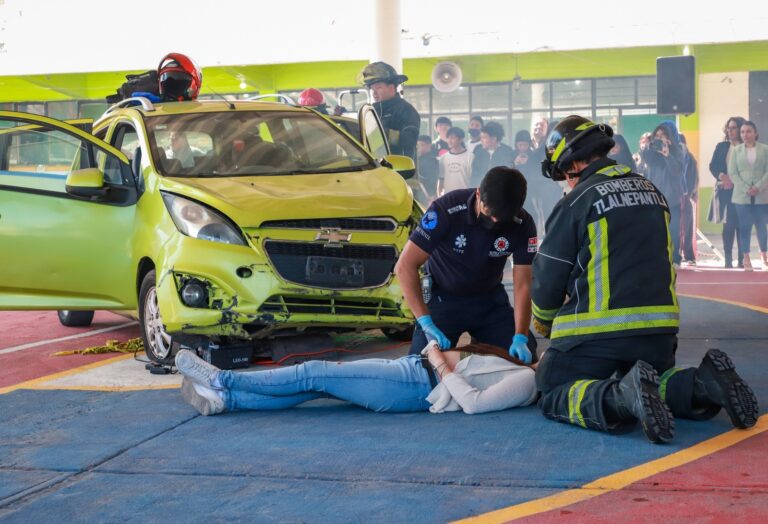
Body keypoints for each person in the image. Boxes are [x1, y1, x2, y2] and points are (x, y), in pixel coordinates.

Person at [532, 115, 758, 444]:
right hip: (659, 336)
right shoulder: (652, 192)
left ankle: (622, 399)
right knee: (655, 379)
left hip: (597, 337)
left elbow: (547, 277)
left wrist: (542, 325)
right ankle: (704, 385)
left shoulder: (578, 201)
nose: (567, 183)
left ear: (576, 162)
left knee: (552, 388)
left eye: (565, 174)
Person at [394, 166, 538, 363]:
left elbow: (522, 284)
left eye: (501, 220)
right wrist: (425, 321)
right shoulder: (447, 209)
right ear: (478, 194)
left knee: (524, 360)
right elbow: (405, 266)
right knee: (422, 367)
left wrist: (520, 336)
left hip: (489, 302)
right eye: (489, 214)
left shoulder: (523, 224)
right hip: (443, 299)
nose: (494, 222)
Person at [174, 343, 538, 416]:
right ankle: (226, 401)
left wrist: (439, 361)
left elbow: (474, 404)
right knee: (315, 385)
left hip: (417, 383)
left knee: (314, 372)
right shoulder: (524, 367)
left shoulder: (528, 382)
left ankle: (224, 379)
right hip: (414, 375)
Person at [640, 121, 694, 265]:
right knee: (656, 229)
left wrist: (667, 154)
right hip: (655, 197)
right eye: (657, 135)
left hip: (672, 198)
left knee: (673, 229)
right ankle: (658, 257)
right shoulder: (651, 151)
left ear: (670, 137)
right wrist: (651, 146)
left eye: (663, 135)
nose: (659, 138)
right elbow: (645, 157)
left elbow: (676, 171)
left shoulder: (677, 151)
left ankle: (675, 258)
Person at [357, 61, 421, 161]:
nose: (374, 93)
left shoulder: (406, 110)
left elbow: (409, 139)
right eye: (372, 89)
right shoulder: (372, 112)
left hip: (399, 172)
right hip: (375, 168)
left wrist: (380, 133)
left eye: (378, 88)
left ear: (391, 88)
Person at [728, 120, 768, 271]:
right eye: (743, 132)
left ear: (755, 133)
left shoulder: (765, 149)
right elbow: (733, 172)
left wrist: (758, 187)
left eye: (749, 131)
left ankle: (764, 256)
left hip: (762, 195)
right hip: (741, 196)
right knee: (744, 227)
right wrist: (746, 188)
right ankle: (746, 258)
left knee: (762, 227)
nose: (745, 134)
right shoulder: (736, 151)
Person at [709, 117, 746, 268]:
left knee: (742, 226)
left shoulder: (748, 147)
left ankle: (743, 260)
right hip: (726, 191)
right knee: (729, 225)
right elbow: (713, 166)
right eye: (728, 128)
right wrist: (723, 177)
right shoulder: (722, 146)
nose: (730, 131)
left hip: (743, 192)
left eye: (734, 128)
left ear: (740, 129)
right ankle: (728, 260)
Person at [514, 129, 562, 236]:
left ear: (529, 144)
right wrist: (515, 164)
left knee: (536, 211)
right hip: (517, 190)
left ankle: (539, 232)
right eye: (520, 145)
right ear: (516, 144)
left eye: (525, 145)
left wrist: (525, 164)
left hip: (533, 190)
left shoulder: (533, 155)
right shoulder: (512, 155)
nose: (522, 147)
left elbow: (535, 172)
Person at [470, 122, 516, 187]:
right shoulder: (478, 150)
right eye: (481, 137)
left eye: (484, 137)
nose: (481, 140)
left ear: (494, 139)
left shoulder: (507, 152)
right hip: (481, 190)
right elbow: (474, 175)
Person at [436, 127, 472, 195]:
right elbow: (441, 179)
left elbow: (473, 180)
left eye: (453, 138)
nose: (449, 140)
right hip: (448, 196)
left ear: (460, 139)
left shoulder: (470, 157)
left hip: (465, 196)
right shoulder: (443, 158)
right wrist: (439, 195)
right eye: (448, 138)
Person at [416, 135, 439, 204]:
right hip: (419, 192)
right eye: (418, 145)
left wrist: (432, 194)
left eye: (422, 145)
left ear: (429, 145)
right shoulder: (417, 158)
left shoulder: (432, 160)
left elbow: (433, 179)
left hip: (427, 195)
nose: (419, 147)